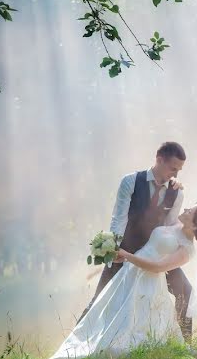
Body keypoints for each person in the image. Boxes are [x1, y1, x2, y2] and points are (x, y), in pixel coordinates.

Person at [43, 202, 197, 359]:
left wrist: (127, 256)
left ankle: (112, 350)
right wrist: (124, 259)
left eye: (190, 211)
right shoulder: (174, 224)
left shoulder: (187, 249)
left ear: (196, 226)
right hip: (131, 272)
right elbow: (150, 248)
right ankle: (89, 343)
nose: (186, 209)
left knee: (132, 324)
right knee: (109, 313)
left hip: (148, 283)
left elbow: (158, 267)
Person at [80, 141, 191, 338]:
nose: (175, 174)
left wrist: (174, 254)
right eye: (173, 168)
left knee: (185, 291)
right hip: (125, 252)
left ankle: (188, 344)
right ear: (159, 159)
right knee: (99, 300)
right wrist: (112, 248)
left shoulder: (177, 192)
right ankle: (75, 344)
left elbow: (170, 225)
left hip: (155, 255)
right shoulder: (130, 181)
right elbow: (119, 217)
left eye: (179, 170)